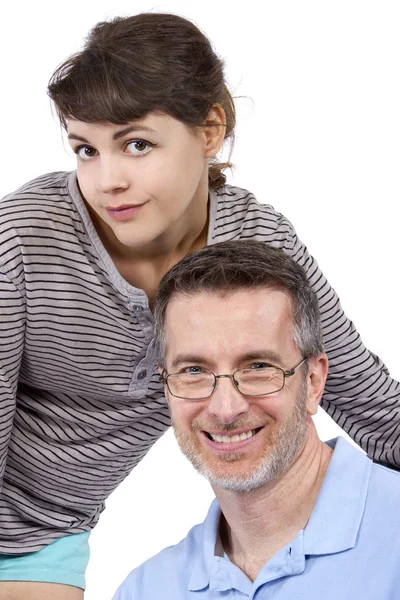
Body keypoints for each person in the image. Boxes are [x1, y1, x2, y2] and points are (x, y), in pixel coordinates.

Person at [0, 11, 398, 600]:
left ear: (209, 130)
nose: (106, 180)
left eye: (136, 145)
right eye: (85, 150)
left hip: (42, 537)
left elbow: (370, 407)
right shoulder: (22, 240)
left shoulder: (260, 243)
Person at [113, 240, 400, 599]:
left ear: (313, 382)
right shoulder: (147, 590)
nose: (225, 408)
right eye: (193, 370)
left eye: (258, 367)